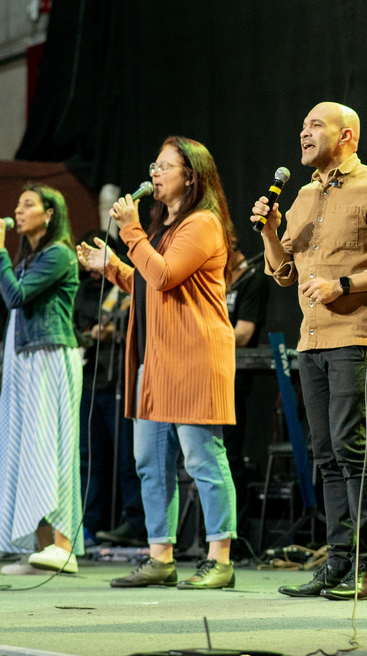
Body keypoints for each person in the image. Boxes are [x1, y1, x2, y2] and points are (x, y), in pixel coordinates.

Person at [252, 101, 367, 601]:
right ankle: (337, 562)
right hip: (313, 340)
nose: (303, 132)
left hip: (356, 334)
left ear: (347, 136)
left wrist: (343, 284)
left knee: (349, 447)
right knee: (325, 455)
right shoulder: (301, 196)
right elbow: (283, 271)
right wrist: (267, 231)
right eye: (301, 125)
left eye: (315, 125)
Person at [78, 137, 239, 590]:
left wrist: (129, 232)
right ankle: (159, 556)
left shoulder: (202, 224)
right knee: (149, 460)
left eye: (166, 166)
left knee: (202, 457)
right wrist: (111, 266)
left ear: (191, 176)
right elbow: (151, 281)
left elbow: (166, 275)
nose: (155, 172)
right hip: (156, 361)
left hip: (194, 358)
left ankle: (220, 558)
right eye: (155, 164)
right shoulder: (165, 230)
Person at [0, 184, 84, 574]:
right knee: (29, 454)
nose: (18, 212)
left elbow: (16, 297)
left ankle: (63, 545)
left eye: (28, 205)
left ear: (50, 214)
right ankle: (43, 550)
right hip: (27, 360)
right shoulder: (34, 257)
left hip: (49, 357)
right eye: (17, 204)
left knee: (51, 449)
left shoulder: (58, 254)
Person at [73, 233, 147, 549]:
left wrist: (114, 329)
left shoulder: (126, 285)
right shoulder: (83, 291)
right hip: (90, 383)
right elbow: (74, 329)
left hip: (119, 382)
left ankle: (134, 523)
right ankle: (89, 526)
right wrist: (89, 334)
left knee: (129, 458)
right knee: (90, 460)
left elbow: (143, 321)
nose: (90, 265)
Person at [221, 243, 271, 513]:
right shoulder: (215, 277)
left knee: (229, 455)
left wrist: (202, 338)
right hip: (206, 374)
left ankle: (234, 535)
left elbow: (243, 335)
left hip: (233, 378)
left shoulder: (253, 279)